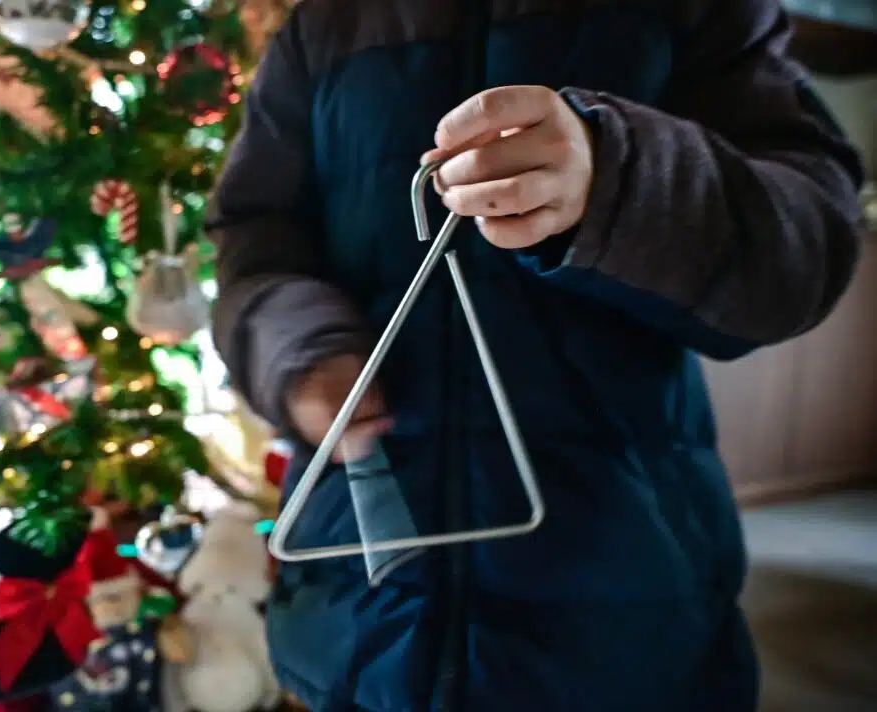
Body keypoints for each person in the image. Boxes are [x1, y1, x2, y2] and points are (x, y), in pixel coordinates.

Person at [208, 0, 865, 710]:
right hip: (359, 626)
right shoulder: (324, 27)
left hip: (623, 621)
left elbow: (807, 249)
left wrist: (618, 181)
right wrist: (302, 350)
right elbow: (254, 242)